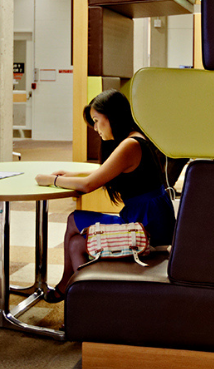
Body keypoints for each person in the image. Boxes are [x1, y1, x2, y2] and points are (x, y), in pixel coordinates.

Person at [34, 90, 177, 303]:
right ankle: (77, 297)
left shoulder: (130, 145)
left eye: (96, 121)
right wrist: (70, 175)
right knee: (75, 244)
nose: (95, 128)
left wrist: (50, 180)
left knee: (74, 219)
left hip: (147, 228)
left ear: (111, 117)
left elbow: (88, 185)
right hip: (149, 220)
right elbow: (104, 172)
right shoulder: (134, 138)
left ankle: (68, 286)